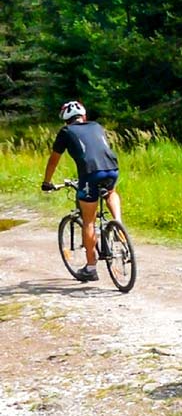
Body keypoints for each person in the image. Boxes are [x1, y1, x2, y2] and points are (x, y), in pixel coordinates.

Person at [42, 101, 121, 283]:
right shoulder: (96, 126)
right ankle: (118, 223)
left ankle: (91, 267)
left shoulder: (66, 132)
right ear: (84, 116)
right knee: (110, 192)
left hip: (90, 173)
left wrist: (47, 182)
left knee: (89, 222)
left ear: (65, 120)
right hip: (112, 168)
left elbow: (53, 160)